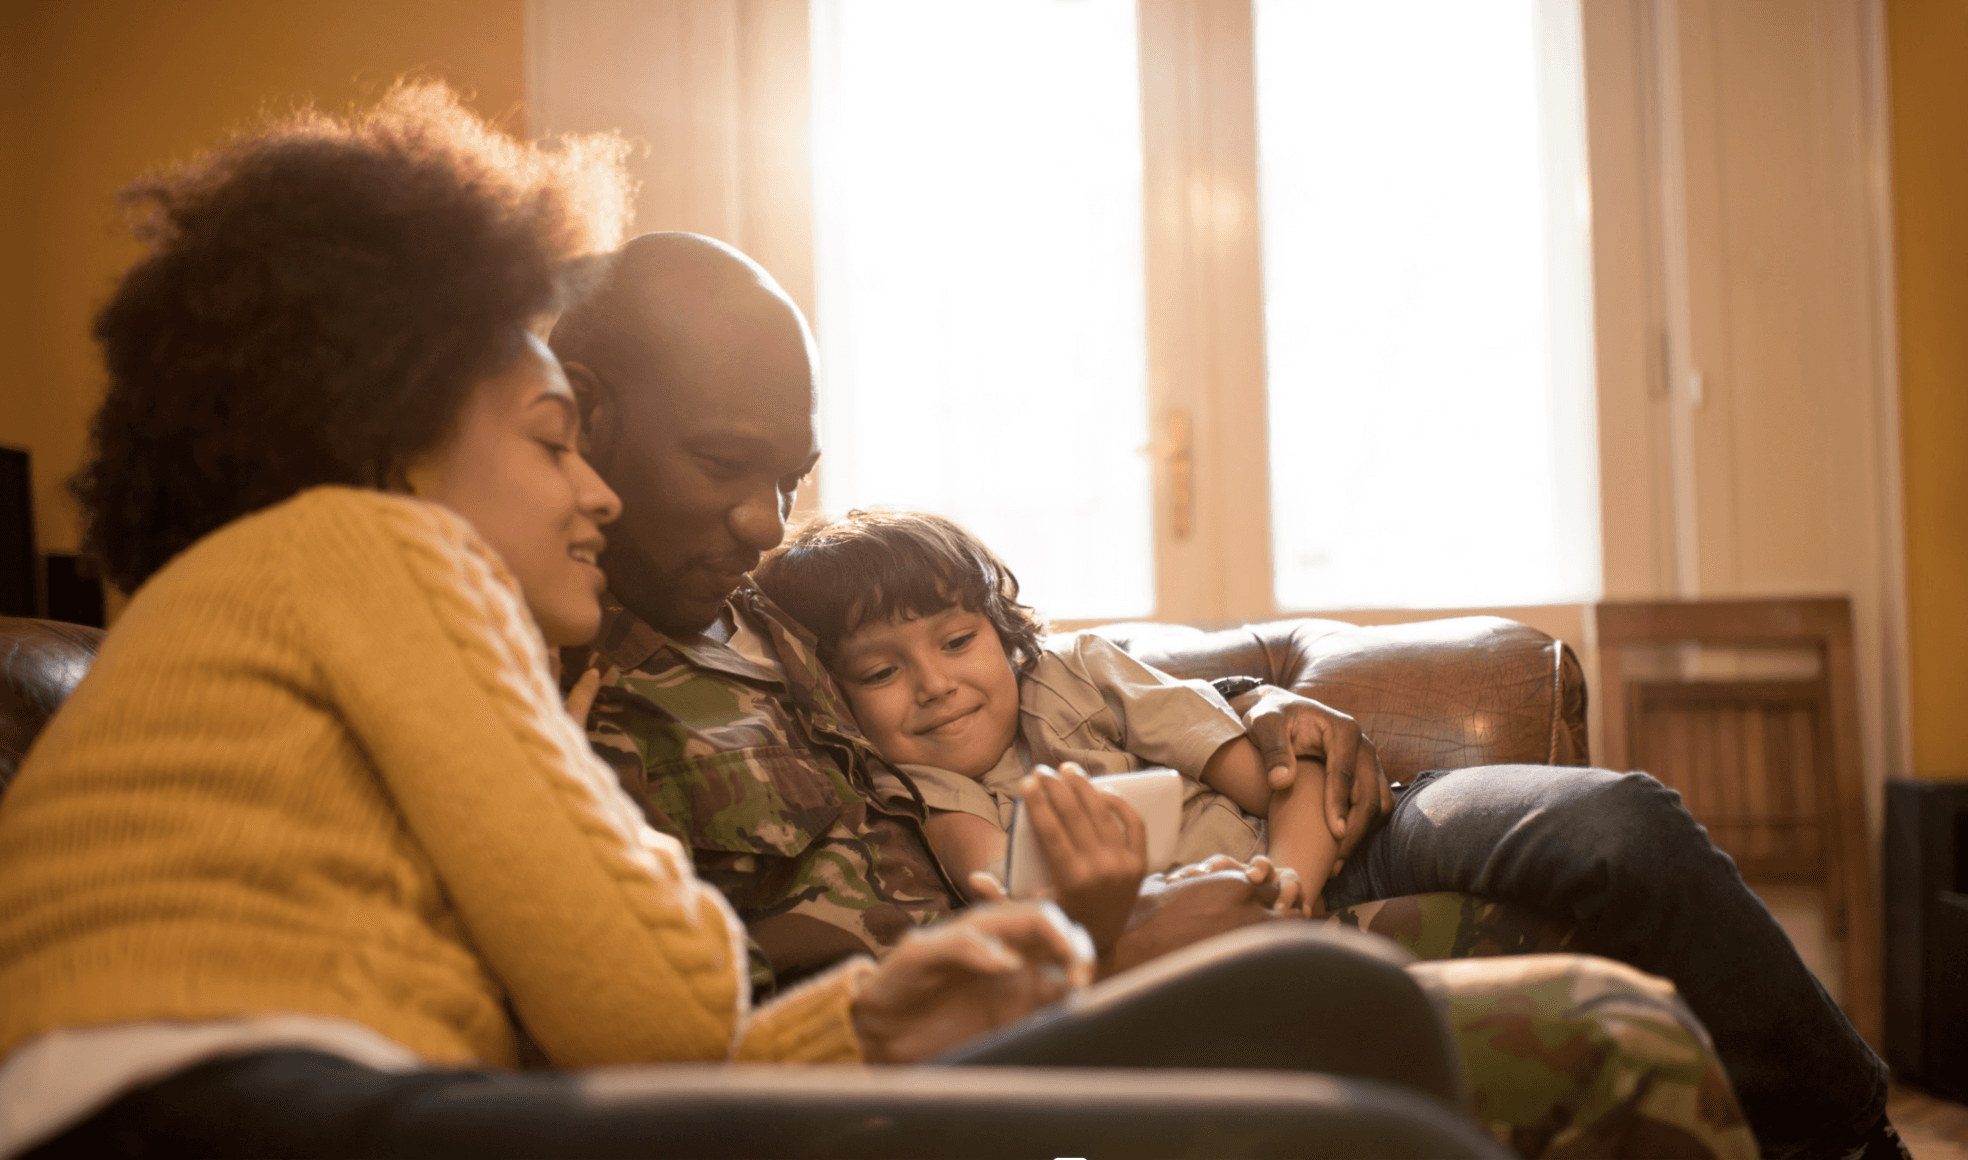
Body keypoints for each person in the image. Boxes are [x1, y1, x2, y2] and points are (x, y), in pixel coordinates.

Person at [0, 83, 1149, 1159]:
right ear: (386, 442)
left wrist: (871, 1023)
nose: (592, 487)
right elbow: (653, 1009)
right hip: (208, 1105)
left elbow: (638, 1062)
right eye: (554, 439)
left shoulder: (310, 614)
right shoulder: (384, 552)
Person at [547, 233, 1799, 1158]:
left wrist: (1263, 708)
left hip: (1120, 947)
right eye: (723, 466)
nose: (764, 523)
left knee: (1595, 893)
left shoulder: (773, 609)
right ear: (588, 417)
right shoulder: (569, 684)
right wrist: (1108, 942)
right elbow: (742, 1030)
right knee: (1607, 1028)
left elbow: (1027, 666)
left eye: (789, 480)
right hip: (992, 1052)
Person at [750, 507, 1341, 946]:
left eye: (957, 642)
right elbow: (1013, 890)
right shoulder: (917, 787)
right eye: (880, 672)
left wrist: (1290, 886)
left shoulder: (1081, 672)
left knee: (1437, 821)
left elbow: (1288, 777)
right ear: (838, 697)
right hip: (1211, 940)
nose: (935, 685)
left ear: (1002, 632)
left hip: (1315, 869)